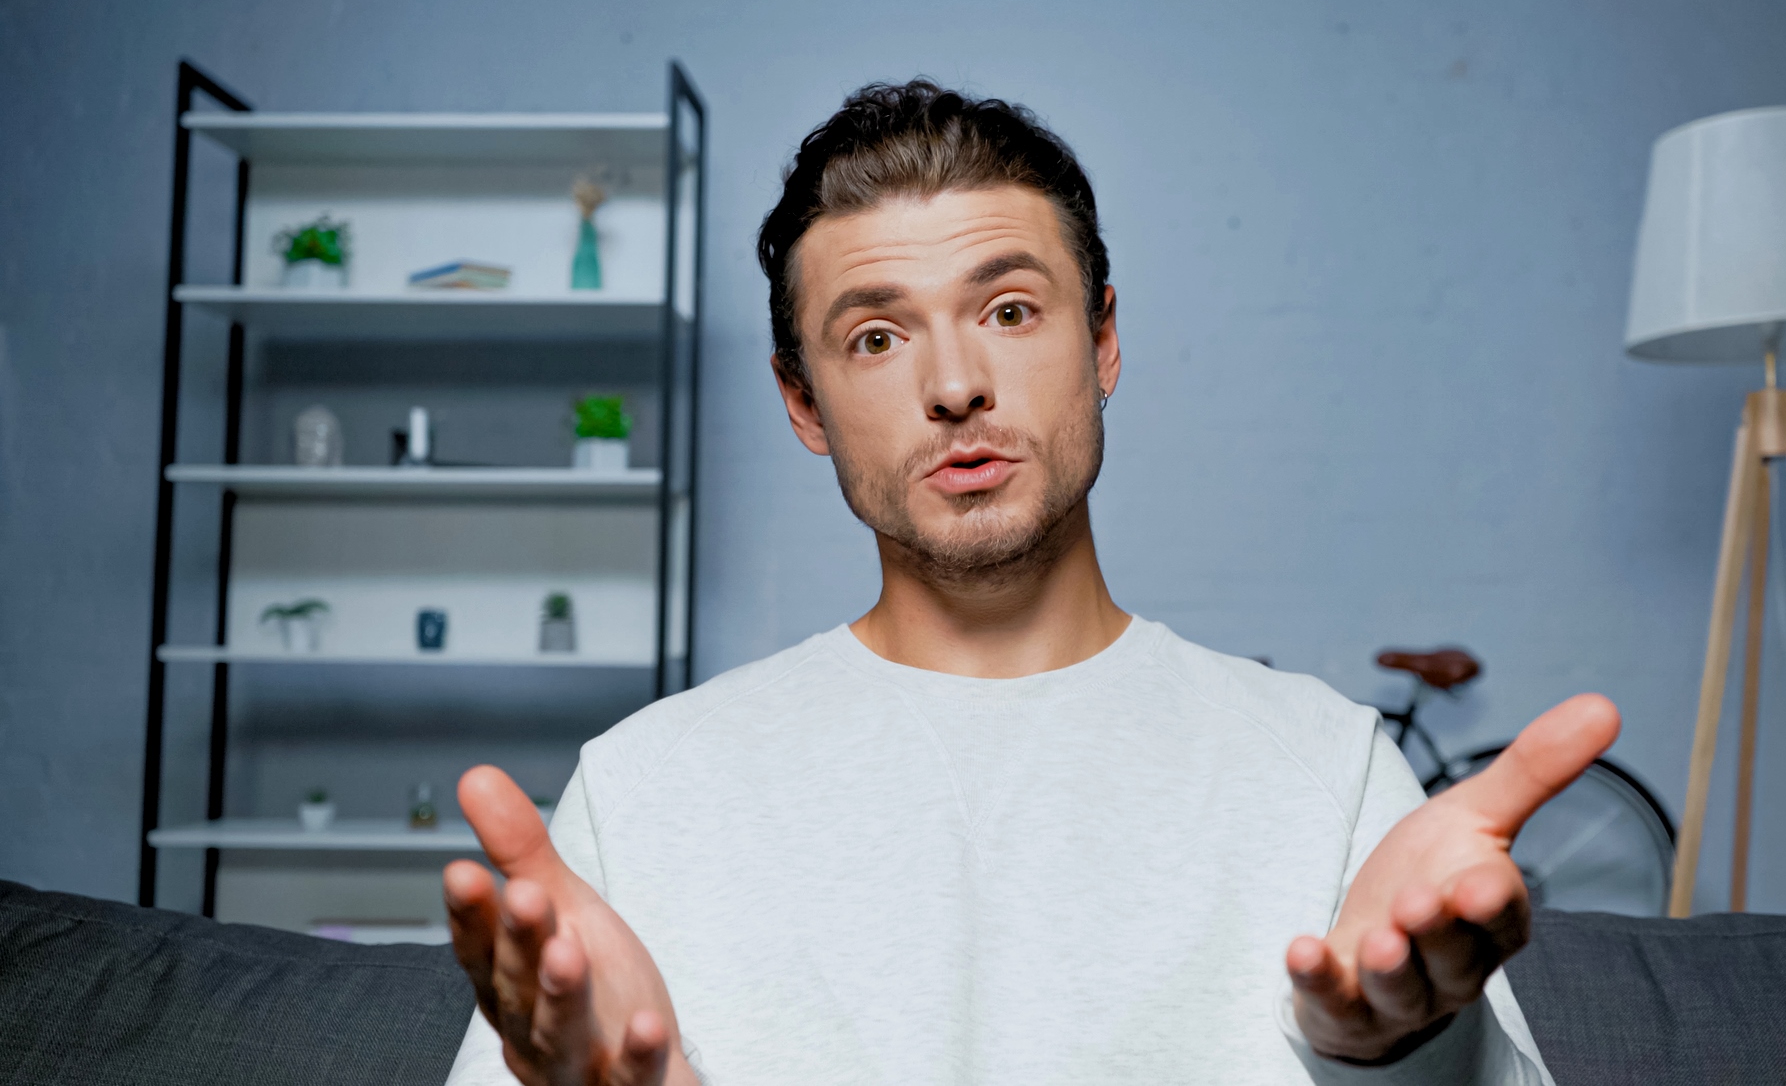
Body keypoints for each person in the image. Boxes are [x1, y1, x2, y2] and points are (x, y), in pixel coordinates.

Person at [441, 80, 1618, 1086]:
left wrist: (1397, 1057)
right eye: (875, 337)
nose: (955, 384)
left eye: (1009, 311)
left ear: (1100, 342)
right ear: (803, 403)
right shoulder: (647, 791)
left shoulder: (1324, 765)